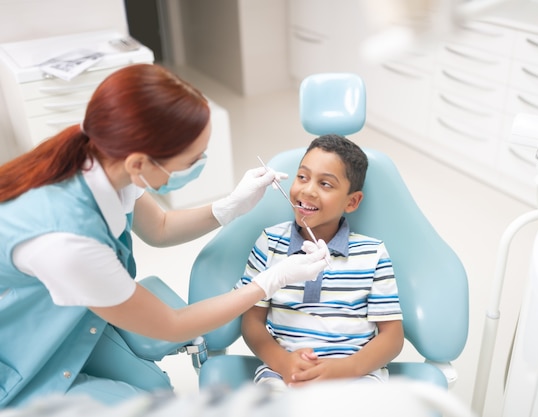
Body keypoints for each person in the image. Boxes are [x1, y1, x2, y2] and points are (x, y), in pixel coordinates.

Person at [0, 64, 329, 408]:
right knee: (143, 404)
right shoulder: (66, 241)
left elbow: (159, 228)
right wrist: (274, 278)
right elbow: (172, 325)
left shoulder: (108, 157)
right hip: (19, 352)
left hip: (73, 315)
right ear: (140, 163)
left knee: (153, 386)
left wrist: (230, 206)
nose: (199, 163)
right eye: (191, 159)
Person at [235, 134, 404, 394]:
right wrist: (284, 363)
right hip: (283, 375)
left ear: (352, 201)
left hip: (355, 377)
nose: (308, 190)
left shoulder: (372, 254)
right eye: (302, 177)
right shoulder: (269, 243)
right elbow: (252, 322)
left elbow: (392, 337)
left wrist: (345, 369)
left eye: (325, 184)